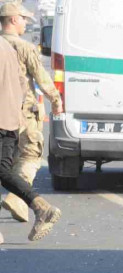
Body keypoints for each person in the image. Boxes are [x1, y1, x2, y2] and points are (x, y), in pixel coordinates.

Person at [0, 4, 60, 245]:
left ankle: (32, 203)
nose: (26, 23)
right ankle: (30, 202)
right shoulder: (18, 48)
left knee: (8, 167)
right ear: (14, 19)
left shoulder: (7, 47)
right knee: (21, 161)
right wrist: (55, 99)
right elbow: (36, 80)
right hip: (17, 115)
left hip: (9, 116)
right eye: (24, 19)